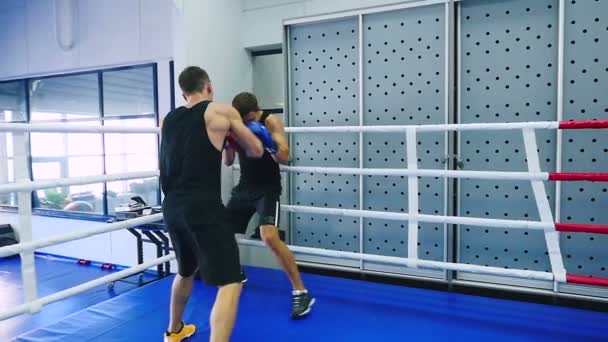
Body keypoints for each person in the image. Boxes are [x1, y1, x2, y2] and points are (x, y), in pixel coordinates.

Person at [160, 67, 267, 342]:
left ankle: (173, 332)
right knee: (231, 281)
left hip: (171, 205)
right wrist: (242, 135)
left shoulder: (168, 119)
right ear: (208, 86)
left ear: (183, 92)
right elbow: (255, 150)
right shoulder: (220, 112)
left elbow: (210, 155)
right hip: (202, 206)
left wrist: (226, 142)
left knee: (185, 269)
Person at [223, 92, 315, 319]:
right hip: (244, 188)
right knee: (221, 232)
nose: (244, 125)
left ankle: (301, 291)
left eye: (247, 120)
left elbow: (285, 156)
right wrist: (227, 142)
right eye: (241, 121)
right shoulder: (233, 124)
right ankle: (236, 273)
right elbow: (228, 161)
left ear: (256, 112)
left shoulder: (270, 121)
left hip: (267, 189)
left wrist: (268, 141)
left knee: (269, 237)